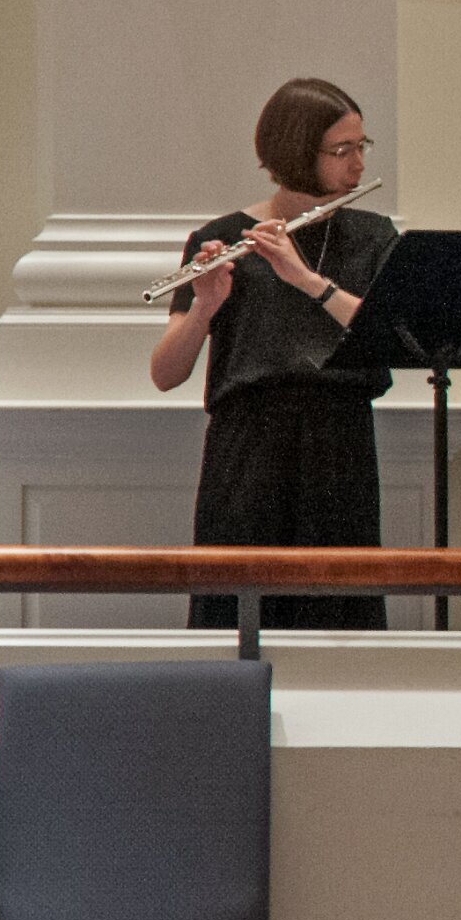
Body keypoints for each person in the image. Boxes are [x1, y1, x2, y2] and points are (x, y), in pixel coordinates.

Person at [151, 77, 394, 630]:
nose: (358, 163)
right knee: (239, 611)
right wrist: (205, 305)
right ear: (296, 153)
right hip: (248, 449)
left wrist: (306, 279)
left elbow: (382, 334)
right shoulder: (222, 236)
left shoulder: (373, 236)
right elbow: (165, 373)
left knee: (338, 617)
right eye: (342, 150)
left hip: (340, 444)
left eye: (361, 146)